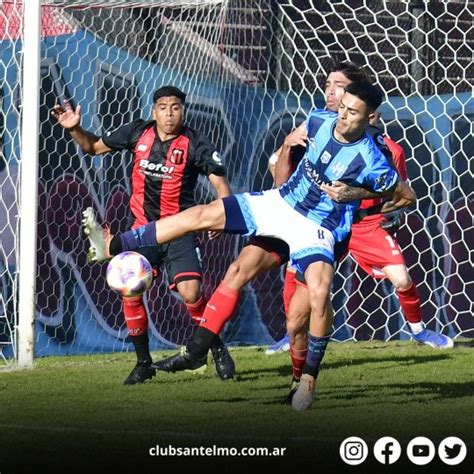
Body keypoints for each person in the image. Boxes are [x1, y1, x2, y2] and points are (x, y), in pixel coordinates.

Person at [84, 81, 416, 411]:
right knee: (201, 216)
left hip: (317, 227)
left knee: (315, 297)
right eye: (341, 106)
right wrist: (286, 149)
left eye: (352, 112)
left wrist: (353, 195)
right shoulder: (319, 119)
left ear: (371, 117)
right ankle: (115, 246)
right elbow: (286, 154)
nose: (342, 116)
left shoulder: (373, 157)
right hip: (281, 203)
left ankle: (307, 382)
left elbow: (405, 196)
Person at [52, 85, 235, 385]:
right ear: (154, 111)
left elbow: (221, 183)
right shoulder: (138, 133)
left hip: (179, 231)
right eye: (163, 107)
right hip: (142, 233)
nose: (169, 113)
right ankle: (143, 363)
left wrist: (222, 214)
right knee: (129, 287)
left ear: (183, 111)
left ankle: (215, 347)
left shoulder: (195, 143)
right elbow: (93, 147)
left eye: (175, 107)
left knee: (191, 293)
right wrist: (75, 129)